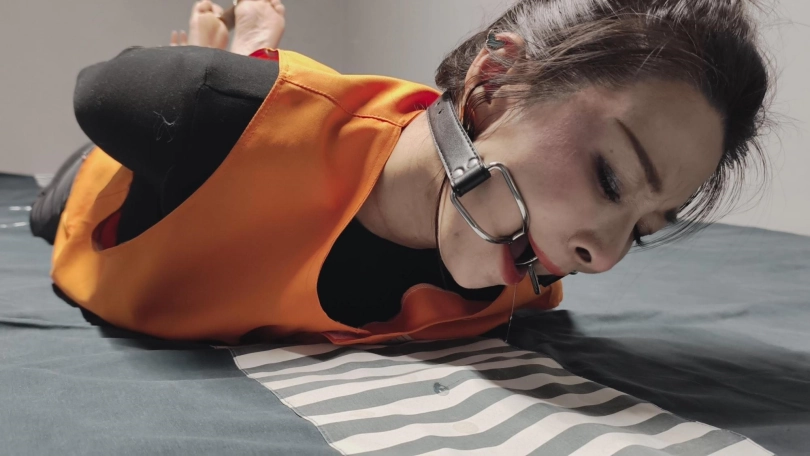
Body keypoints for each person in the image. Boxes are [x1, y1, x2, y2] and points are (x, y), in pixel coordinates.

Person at [31, 0, 770, 345]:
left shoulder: (529, 264)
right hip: (143, 198)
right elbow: (100, 89)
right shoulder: (199, 106)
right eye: (610, 179)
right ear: (495, 83)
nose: (602, 257)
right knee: (52, 208)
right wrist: (216, 79)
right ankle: (246, 55)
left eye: (641, 230)